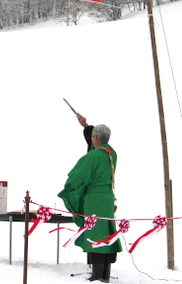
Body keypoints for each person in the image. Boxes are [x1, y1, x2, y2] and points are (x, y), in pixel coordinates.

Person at [58, 113, 121, 282]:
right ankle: (104, 275)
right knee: (106, 233)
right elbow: (98, 148)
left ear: (94, 138)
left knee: (95, 233)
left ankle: (96, 275)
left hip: (94, 199)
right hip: (107, 198)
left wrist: (68, 191)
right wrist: (86, 127)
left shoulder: (91, 157)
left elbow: (76, 178)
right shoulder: (111, 154)